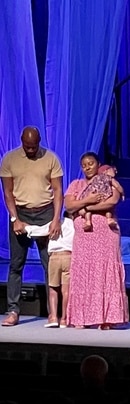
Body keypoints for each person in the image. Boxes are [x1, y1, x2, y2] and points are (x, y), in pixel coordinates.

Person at [0, 126, 64, 327]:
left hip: (45, 213)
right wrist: (14, 219)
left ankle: (53, 313)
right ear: (22, 141)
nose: (30, 150)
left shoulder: (51, 158)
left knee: (50, 265)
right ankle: (13, 311)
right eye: (27, 146)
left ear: (39, 141)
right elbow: (7, 192)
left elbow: (58, 190)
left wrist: (56, 219)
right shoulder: (10, 159)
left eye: (33, 146)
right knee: (16, 265)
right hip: (21, 213)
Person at [64, 152, 128, 329]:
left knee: (104, 272)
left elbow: (111, 201)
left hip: (106, 235)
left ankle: (107, 318)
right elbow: (69, 206)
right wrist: (88, 200)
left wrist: (85, 207)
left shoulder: (106, 180)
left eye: (91, 163)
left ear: (98, 164)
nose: (88, 167)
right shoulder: (76, 185)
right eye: (84, 165)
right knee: (84, 273)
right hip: (84, 238)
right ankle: (82, 317)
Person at [25, 212, 75, 328]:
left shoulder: (54, 223)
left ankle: (53, 317)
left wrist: (26, 228)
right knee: (66, 290)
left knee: (53, 289)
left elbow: (40, 231)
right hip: (69, 257)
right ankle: (64, 318)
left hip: (55, 257)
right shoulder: (74, 225)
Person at [76, 164, 124, 231]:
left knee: (89, 210)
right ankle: (109, 218)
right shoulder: (109, 178)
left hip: (93, 196)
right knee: (108, 208)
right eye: (113, 170)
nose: (116, 172)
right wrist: (122, 193)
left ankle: (88, 221)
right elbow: (118, 186)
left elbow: (89, 184)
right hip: (104, 195)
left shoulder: (95, 177)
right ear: (106, 171)